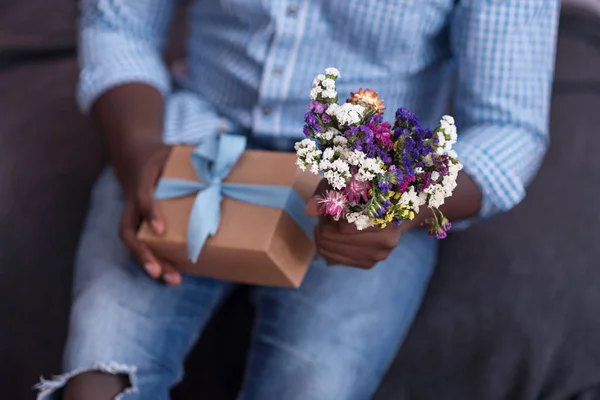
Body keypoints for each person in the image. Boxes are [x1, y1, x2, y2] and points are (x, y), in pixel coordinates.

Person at [36, 1, 560, 399]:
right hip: (195, 138)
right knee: (95, 385)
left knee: (314, 385)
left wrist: (401, 201)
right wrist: (139, 149)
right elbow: (120, 22)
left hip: (370, 176)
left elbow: (507, 127)